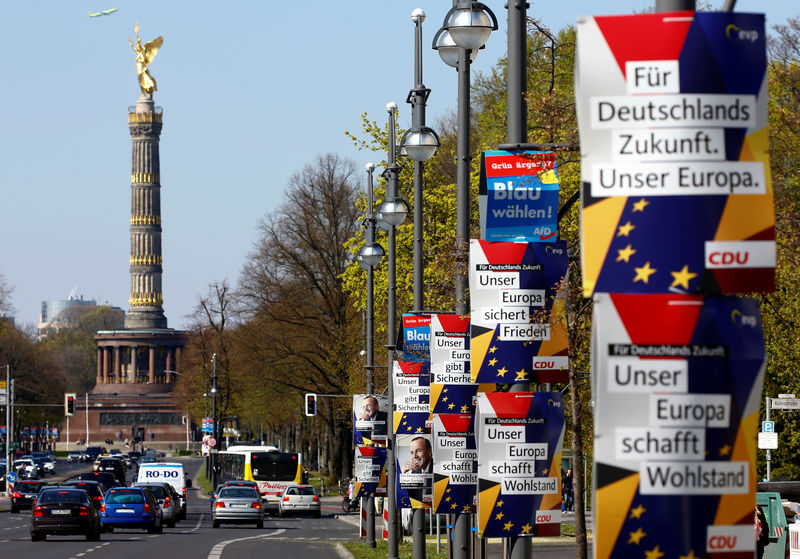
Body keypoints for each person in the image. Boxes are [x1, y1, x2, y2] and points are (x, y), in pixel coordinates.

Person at [401, 436, 433, 503]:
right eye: (412, 453)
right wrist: (402, 475)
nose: (414, 456)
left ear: (429, 452)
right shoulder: (415, 471)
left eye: (418, 451)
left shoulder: (438, 470)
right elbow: (409, 497)